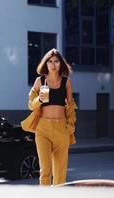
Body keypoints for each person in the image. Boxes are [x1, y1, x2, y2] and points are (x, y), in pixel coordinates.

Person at [21, 48, 78, 186]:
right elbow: (31, 105)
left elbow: (70, 106)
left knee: (60, 172)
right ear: (46, 64)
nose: (53, 64)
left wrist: (69, 127)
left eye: (56, 61)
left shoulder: (66, 82)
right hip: (43, 129)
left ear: (60, 64)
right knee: (45, 171)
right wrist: (39, 100)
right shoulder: (40, 81)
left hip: (61, 128)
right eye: (50, 61)